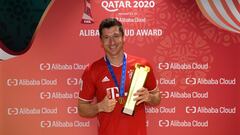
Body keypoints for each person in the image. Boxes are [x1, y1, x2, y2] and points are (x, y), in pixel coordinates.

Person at [78, 18, 160, 135]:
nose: (112, 42)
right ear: (101, 41)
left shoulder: (142, 66)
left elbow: (157, 98)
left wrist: (149, 97)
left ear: (123, 38)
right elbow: (82, 108)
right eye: (106, 37)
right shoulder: (92, 70)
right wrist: (99, 107)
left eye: (116, 36)